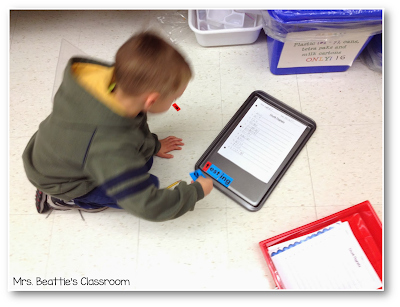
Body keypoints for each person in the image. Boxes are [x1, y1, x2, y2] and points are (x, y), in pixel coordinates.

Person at [22, 31, 214, 222]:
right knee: (149, 184)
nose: (175, 102)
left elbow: (133, 125)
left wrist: (154, 145)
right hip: (64, 182)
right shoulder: (109, 148)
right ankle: (66, 200)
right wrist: (196, 192)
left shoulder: (115, 84)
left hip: (55, 151)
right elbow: (149, 206)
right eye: (175, 98)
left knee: (145, 162)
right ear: (151, 100)